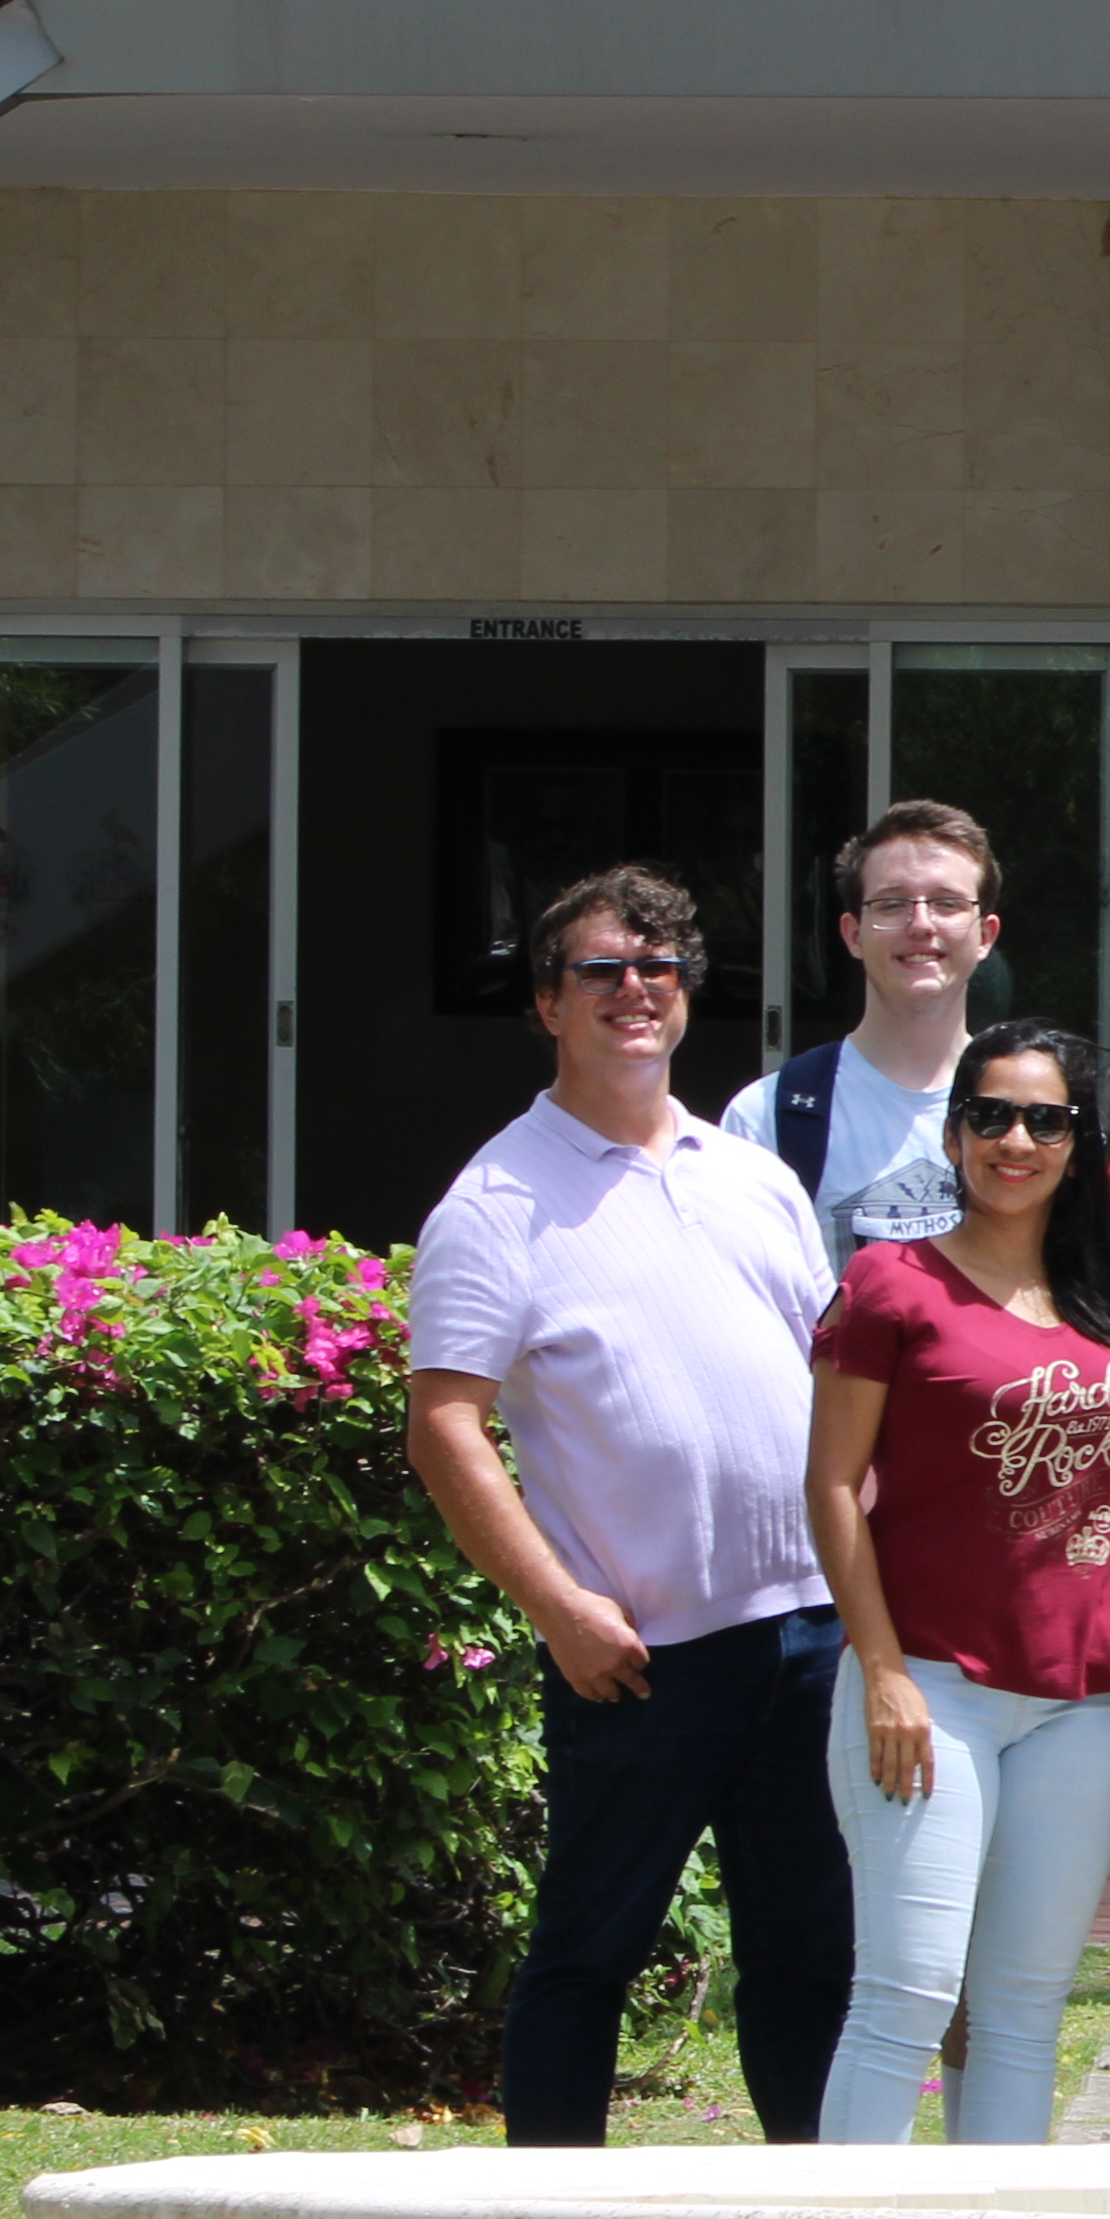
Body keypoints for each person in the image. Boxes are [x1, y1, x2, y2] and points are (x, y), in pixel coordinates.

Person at [401, 864, 854, 2146]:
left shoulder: (749, 1174)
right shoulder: (496, 1202)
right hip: (641, 1654)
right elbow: (444, 1424)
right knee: (587, 1954)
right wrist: (559, 1608)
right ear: (547, 1002)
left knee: (810, 1957)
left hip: (809, 1633)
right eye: (600, 970)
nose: (633, 992)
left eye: (657, 969)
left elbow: (826, 1374)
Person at [795, 1021, 1110, 2148]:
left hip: (1088, 1695)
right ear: (953, 1134)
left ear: (1077, 1144)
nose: (1016, 1139)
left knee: (1020, 2011)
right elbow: (829, 1488)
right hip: (931, 1686)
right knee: (905, 1999)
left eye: (1045, 1119)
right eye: (990, 1115)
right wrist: (885, 1673)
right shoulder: (890, 1280)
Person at [723, 797, 994, 1260]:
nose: (921, 924)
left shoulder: (1036, 1116)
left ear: (985, 934)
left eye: (947, 903)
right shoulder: (768, 1117)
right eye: (892, 904)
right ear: (852, 934)